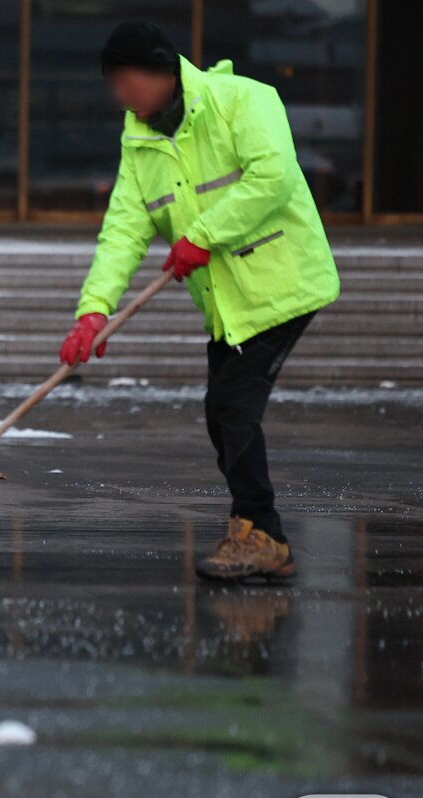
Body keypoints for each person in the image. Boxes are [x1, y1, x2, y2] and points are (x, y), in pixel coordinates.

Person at [63, 22, 339, 582]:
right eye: (112, 84)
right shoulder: (138, 138)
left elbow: (273, 177)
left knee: (234, 408)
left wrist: (203, 235)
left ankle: (261, 532)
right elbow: (124, 227)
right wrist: (93, 310)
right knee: (223, 413)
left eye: (126, 80)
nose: (121, 95)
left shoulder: (243, 100)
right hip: (227, 304)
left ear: (162, 70)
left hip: (282, 283)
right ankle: (260, 534)